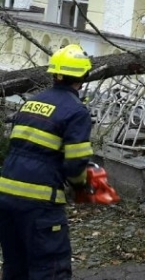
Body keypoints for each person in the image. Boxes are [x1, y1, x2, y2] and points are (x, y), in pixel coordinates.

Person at [0, 44, 94, 279]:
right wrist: (82, 186)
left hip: (6, 198)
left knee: (15, 268)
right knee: (50, 269)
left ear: (54, 74)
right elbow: (76, 161)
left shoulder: (31, 103)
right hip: (40, 205)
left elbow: (21, 148)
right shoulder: (76, 111)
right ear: (83, 77)